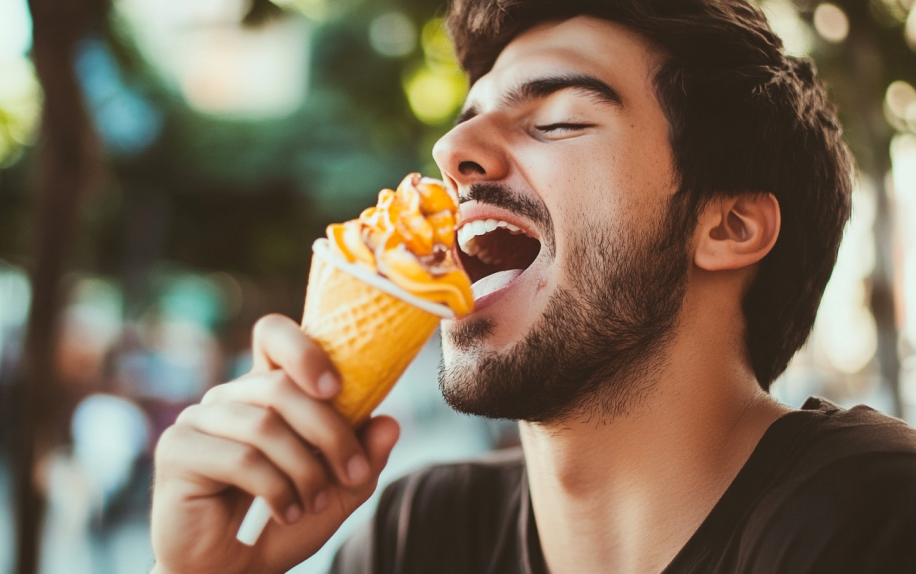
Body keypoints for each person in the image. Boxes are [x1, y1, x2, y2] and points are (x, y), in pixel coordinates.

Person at [148, 1, 916, 572]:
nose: (453, 151)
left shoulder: (875, 518)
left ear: (728, 226)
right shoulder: (424, 534)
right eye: (466, 121)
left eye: (556, 121)